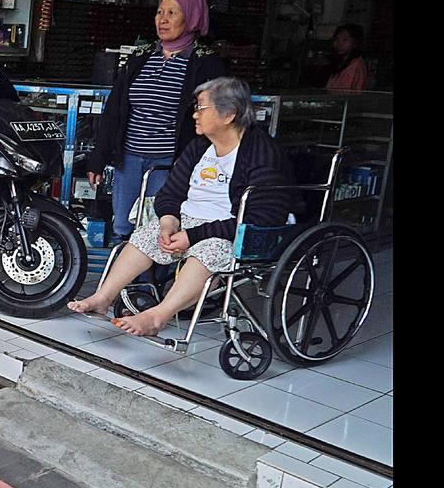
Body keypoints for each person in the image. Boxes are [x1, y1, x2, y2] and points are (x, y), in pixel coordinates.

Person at [69, 76, 292, 336]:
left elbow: (262, 216)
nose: (195, 115)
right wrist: (169, 221)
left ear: (229, 114)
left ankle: (157, 316)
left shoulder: (261, 151)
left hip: (233, 231)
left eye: (201, 108)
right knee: (146, 235)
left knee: (208, 252)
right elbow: (170, 192)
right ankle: (103, 298)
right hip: (187, 223)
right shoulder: (200, 146)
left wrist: (193, 236)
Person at [85, 0, 228, 243]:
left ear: (192, 18)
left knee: (158, 226)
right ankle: (125, 281)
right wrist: (98, 158)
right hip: (128, 158)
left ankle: (150, 283)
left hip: (169, 162)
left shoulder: (206, 64)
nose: (162, 19)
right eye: (160, 12)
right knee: (122, 224)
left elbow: (213, 119)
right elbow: (114, 111)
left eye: (172, 13)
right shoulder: (140, 57)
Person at [325, 23, 368, 92]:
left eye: (345, 40)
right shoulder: (342, 62)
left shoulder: (355, 65)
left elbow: (345, 93)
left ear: (356, 42)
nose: (339, 43)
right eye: (336, 39)